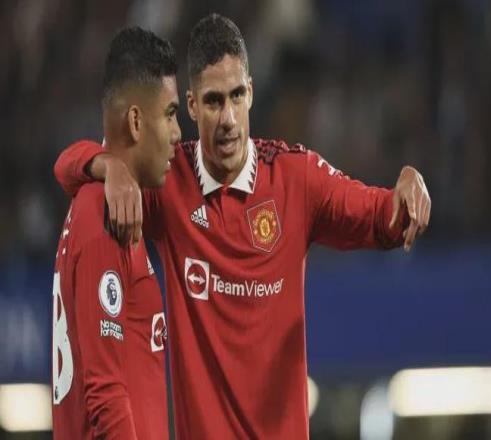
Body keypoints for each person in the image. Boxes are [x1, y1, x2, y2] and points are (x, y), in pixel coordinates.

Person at [54, 14, 431, 439]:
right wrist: (109, 166)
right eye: (214, 101)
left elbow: (384, 216)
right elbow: (66, 167)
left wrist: (408, 185)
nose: (228, 118)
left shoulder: (297, 179)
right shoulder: (170, 183)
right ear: (191, 106)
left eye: (236, 96)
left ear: (251, 92)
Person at [51, 26, 180, 439]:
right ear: (136, 121)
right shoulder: (102, 217)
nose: (178, 133)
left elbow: (64, 165)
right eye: (170, 114)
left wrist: (106, 164)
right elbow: (105, 395)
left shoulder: (108, 201)